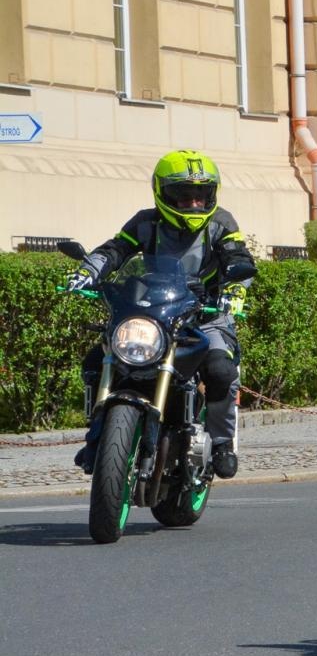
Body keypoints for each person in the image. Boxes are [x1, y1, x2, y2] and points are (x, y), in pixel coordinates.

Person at [65, 151, 255, 478]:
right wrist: (88, 271)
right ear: (162, 193)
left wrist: (236, 288)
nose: (193, 203)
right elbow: (115, 250)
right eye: (183, 195)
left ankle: (222, 443)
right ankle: (99, 435)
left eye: (200, 195)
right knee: (97, 362)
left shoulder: (221, 223)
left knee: (220, 370)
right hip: (156, 313)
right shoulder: (145, 222)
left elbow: (238, 257)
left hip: (206, 315)